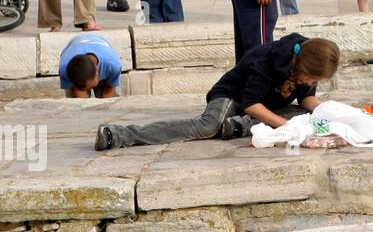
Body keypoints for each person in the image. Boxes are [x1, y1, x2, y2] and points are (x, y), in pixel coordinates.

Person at [93, 35, 339, 150]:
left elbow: (306, 98)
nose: (312, 81)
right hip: (232, 96)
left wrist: (328, 112)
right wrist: (286, 126)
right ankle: (121, 134)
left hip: (266, 105)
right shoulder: (269, 60)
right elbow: (251, 102)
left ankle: (240, 126)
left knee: (305, 117)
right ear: (302, 65)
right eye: (313, 77)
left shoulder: (308, 68)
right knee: (207, 127)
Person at [59, 33, 122, 99]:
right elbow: (77, 92)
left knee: (111, 101)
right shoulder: (65, 70)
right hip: (75, 44)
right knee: (75, 103)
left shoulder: (113, 65)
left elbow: (109, 90)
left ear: (98, 70)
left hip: (99, 41)